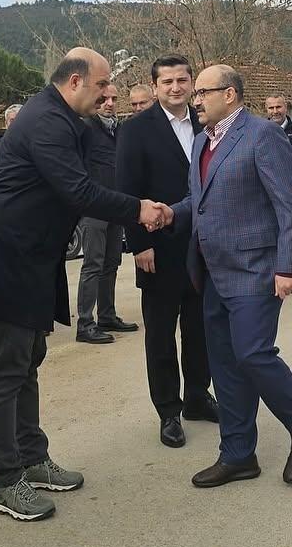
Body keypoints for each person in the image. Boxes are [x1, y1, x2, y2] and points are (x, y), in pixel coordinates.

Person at [0, 47, 167, 522]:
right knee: (5, 371)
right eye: (102, 84)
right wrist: (139, 209)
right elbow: (79, 190)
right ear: (73, 82)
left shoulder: (74, 121)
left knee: (28, 361)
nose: (110, 92)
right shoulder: (46, 122)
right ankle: (4, 481)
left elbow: (111, 162)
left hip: (33, 258)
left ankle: (32, 457)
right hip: (4, 259)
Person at [161, 64, 292, 487]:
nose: (195, 99)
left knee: (253, 354)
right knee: (225, 364)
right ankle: (238, 455)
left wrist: (286, 266)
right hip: (211, 272)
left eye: (202, 91)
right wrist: (168, 213)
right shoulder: (203, 140)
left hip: (255, 270)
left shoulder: (262, 135)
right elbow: (198, 200)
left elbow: (286, 204)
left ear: (230, 94)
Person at [116, 55, 218, 448]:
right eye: (167, 82)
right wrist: (138, 244)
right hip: (157, 247)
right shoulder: (136, 130)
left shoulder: (204, 122)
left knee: (199, 327)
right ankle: (168, 412)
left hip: (202, 246)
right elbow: (127, 189)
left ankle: (196, 396)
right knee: (160, 334)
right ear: (155, 87)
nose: (176, 88)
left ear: (192, 83)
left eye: (182, 80)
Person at [76, 83, 138, 345]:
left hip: (116, 206)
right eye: (105, 98)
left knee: (112, 262)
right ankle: (84, 323)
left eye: (114, 98)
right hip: (93, 209)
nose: (110, 103)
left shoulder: (119, 130)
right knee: (93, 264)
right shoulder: (84, 128)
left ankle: (106, 315)